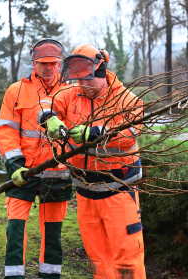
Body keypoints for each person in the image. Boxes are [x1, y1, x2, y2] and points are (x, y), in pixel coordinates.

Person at [40, 44, 146, 279]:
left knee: (126, 256)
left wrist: (98, 132)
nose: (83, 86)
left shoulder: (127, 100)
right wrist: (49, 119)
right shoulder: (70, 94)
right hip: (85, 191)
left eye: (88, 80)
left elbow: (130, 134)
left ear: (101, 72)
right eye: (78, 81)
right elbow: (46, 103)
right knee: (98, 258)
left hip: (118, 189)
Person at [0, 38, 72, 279]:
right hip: (24, 171)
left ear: (60, 64)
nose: (48, 68)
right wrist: (14, 165)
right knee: (15, 226)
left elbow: (77, 131)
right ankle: (14, 275)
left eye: (53, 63)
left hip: (57, 172)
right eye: (43, 64)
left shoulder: (70, 92)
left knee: (53, 231)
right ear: (34, 63)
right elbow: (6, 130)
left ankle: (50, 275)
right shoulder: (16, 91)